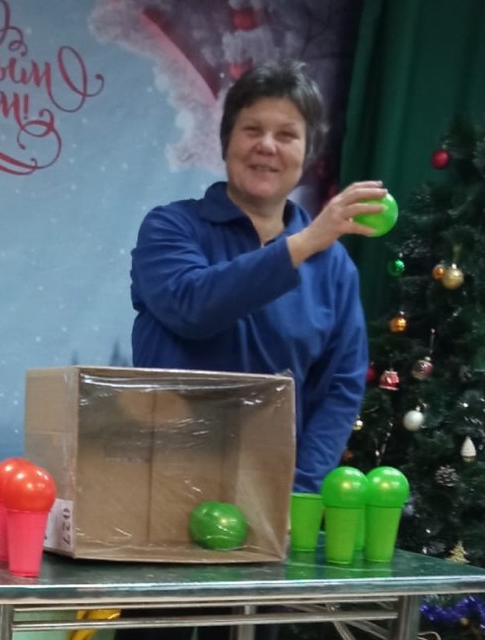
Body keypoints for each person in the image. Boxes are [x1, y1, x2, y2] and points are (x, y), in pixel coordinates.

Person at [120, 59, 381, 640]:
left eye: (287, 134)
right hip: (163, 495)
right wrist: (303, 243)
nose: (267, 146)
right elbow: (193, 305)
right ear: (226, 142)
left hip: (270, 510)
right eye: (252, 129)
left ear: (307, 153)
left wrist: (298, 490)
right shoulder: (171, 228)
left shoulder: (335, 266)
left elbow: (341, 385)